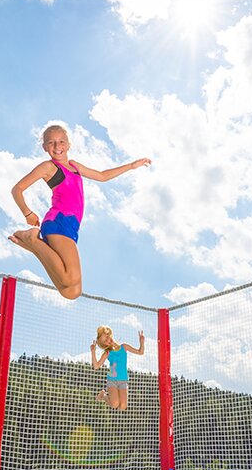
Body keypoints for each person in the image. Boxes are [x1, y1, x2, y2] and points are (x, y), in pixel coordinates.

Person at [9, 124, 151, 300]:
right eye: (51, 143)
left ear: (68, 144)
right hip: (58, 221)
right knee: (71, 278)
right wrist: (27, 213)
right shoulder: (48, 167)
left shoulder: (75, 166)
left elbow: (102, 176)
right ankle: (32, 239)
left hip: (71, 227)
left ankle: (33, 244)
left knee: (71, 292)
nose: (57, 147)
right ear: (45, 147)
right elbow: (17, 189)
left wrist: (131, 166)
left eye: (61, 141)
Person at [90, 325, 144, 411]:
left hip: (123, 380)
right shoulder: (107, 353)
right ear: (104, 345)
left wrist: (141, 341)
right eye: (105, 341)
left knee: (122, 407)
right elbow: (96, 366)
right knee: (115, 404)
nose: (108, 340)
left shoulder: (124, 347)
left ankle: (106, 396)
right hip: (112, 380)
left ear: (110, 334)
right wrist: (93, 352)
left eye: (107, 337)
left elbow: (140, 352)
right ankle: (103, 396)